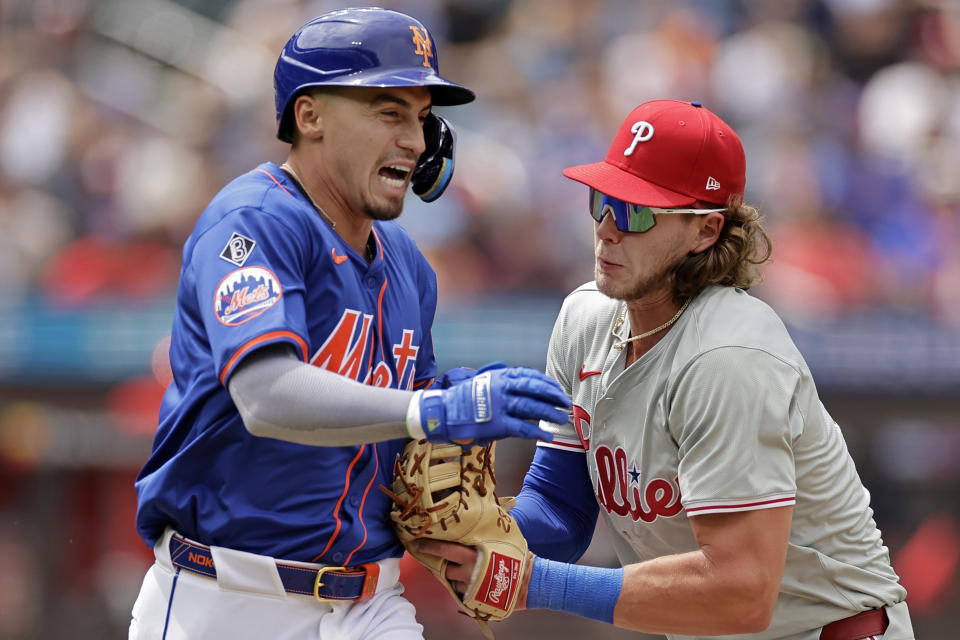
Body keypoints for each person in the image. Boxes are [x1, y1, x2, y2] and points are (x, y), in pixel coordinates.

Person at [128, 8, 569, 640]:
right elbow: (266, 395)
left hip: (368, 605)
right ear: (309, 117)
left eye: (421, 118)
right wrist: (435, 410)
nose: (415, 142)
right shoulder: (255, 221)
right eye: (388, 113)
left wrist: (459, 404)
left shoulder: (411, 268)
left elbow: (403, 427)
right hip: (226, 598)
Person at [422, 99, 915, 640]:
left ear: (705, 231)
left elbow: (740, 591)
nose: (608, 229)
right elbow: (561, 510)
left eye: (635, 211)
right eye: (601, 200)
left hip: (829, 629)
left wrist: (535, 583)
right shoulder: (585, 318)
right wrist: (473, 532)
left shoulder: (728, 356)